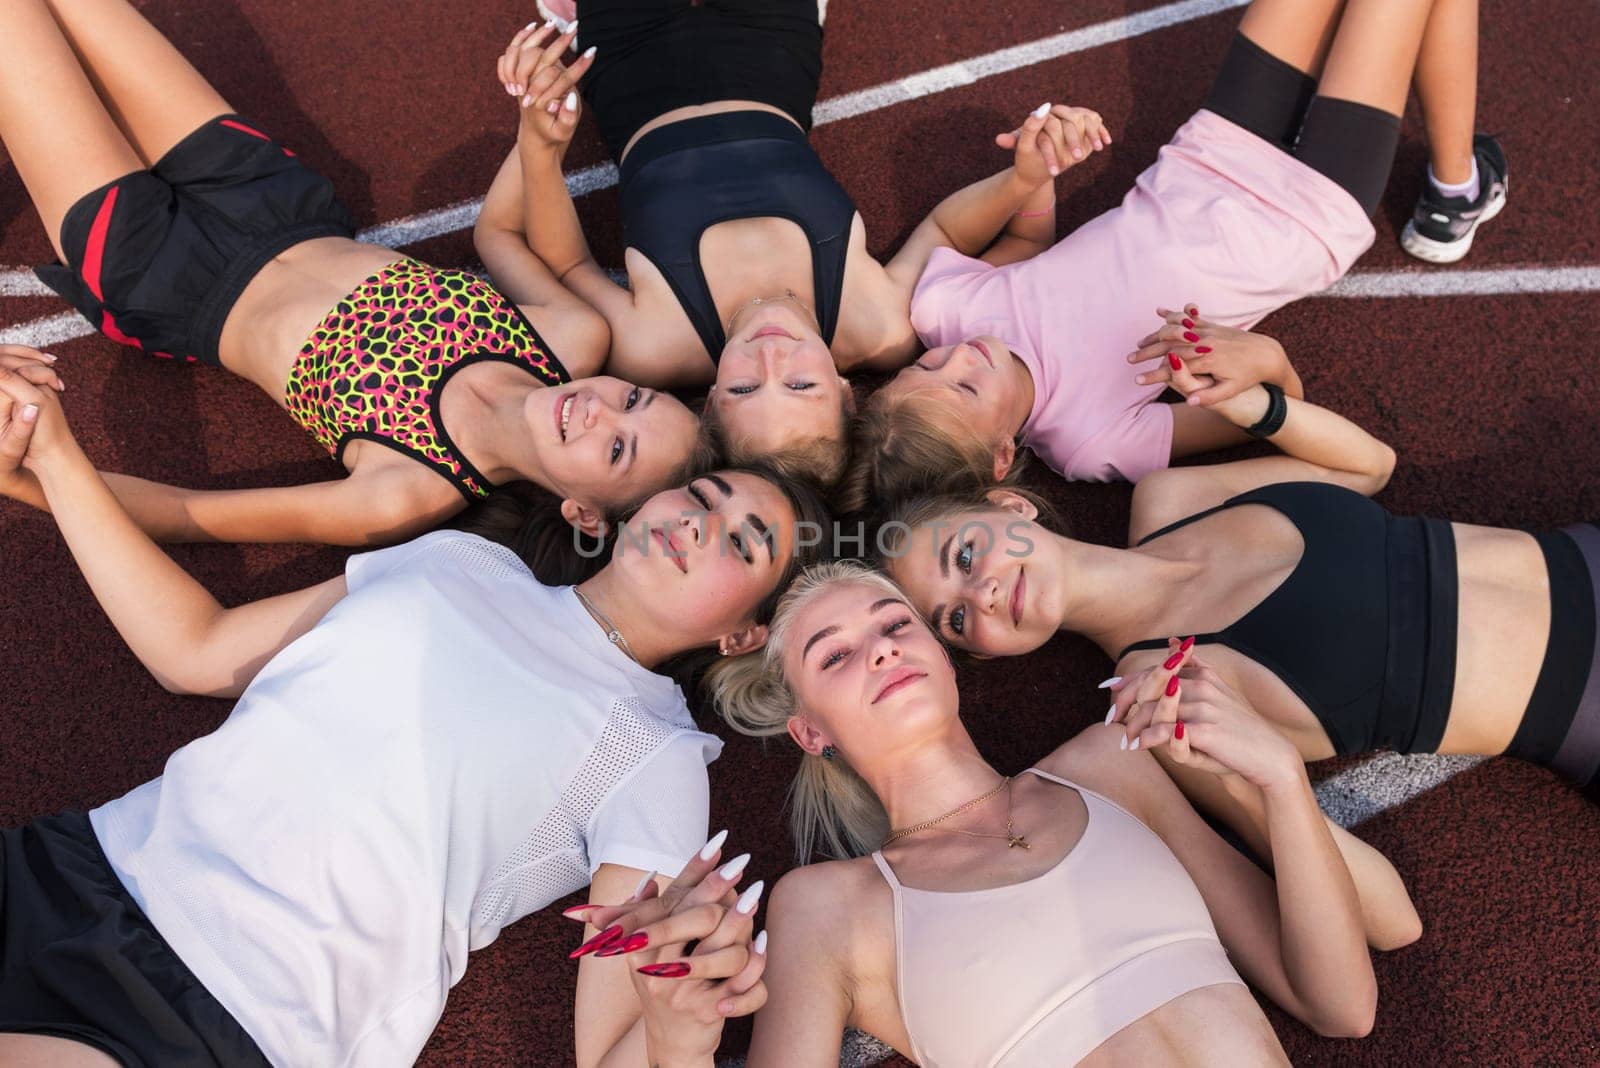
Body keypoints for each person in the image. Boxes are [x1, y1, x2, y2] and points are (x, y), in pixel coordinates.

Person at [0, 365, 827, 1066]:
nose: (697, 524)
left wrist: (681, 1032)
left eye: (740, 543)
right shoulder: (459, 559)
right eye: (701, 495)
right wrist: (52, 450)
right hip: (81, 863)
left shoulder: (656, 755)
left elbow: (611, 1044)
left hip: (229, 1012)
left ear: (742, 634)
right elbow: (195, 651)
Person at [880, 319, 1600, 871]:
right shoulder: (1161, 707)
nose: (983, 592)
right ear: (981, 651)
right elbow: (1343, 879)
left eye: (966, 554)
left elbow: (1371, 467)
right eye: (957, 618)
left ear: (1012, 506)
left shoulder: (1171, 497)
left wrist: (1255, 401)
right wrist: (1265, 771)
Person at [0, 1, 708, 549]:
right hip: (269, 196)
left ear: (582, 513)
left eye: (617, 449)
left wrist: (22, 478)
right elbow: (504, 234)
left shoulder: (406, 492)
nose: (602, 410)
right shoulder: (570, 337)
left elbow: (191, 515)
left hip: (159, 270)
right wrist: (537, 138)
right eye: (636, 400)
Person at [708, 563, 1400, 1065]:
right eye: (835, 655)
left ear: (944, 659)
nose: (882, 648)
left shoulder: (1108, 765)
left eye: (895, 624)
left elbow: (1341, 1006)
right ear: (811, 733)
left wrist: (1278, 779)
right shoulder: (826, 906)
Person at [839, 0, 1507, 513]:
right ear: (1000, 457)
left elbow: (1024, 250)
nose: (957, 355)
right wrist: (1266, 365)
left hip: (1207, 157)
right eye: (963, 385)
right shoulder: (1090, 441)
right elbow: (1262, 421)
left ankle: (1458, 188)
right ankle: (1456, 188)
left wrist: (1036, 174)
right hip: (1301, 217)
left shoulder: (949, 312)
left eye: (927, 363)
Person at [497, 12, 1110, 486]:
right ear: (846, 392)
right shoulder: (878, 327)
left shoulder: (656, 346)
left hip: (630, 80)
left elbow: (569, 264)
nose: (771, 361)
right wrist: (1023, 180)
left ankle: (575, 21)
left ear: (710, 401)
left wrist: (541, 144)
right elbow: (946, 235)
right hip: (772, 62)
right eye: (800, 388)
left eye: (743, 390)